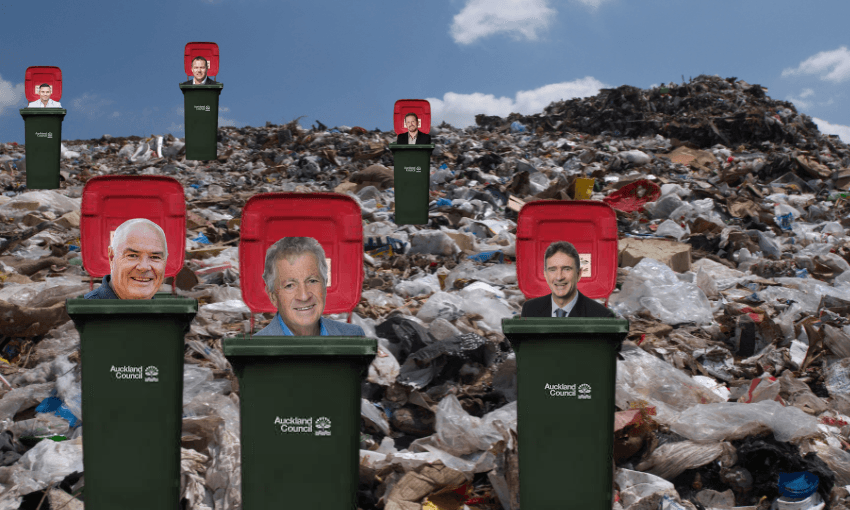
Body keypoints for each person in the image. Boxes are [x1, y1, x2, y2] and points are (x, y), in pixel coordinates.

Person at [255, 237, 365, 336]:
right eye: (289, 285)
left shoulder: (354, 336)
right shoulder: (254, 353)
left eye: (312, 281)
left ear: (324, 284)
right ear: (273, 296)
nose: (304, 296)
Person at [521, 240, 615, 318]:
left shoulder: (601, 316)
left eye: (566, 269)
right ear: (545, 275)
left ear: (578, 274)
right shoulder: (529, 310)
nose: (559, 277)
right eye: (552, 270)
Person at [84, 218, 167, 300]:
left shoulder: (167, 311)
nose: (144, 267)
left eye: (155, 257)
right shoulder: (84, 311)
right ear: (112, 257)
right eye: (132, 256)